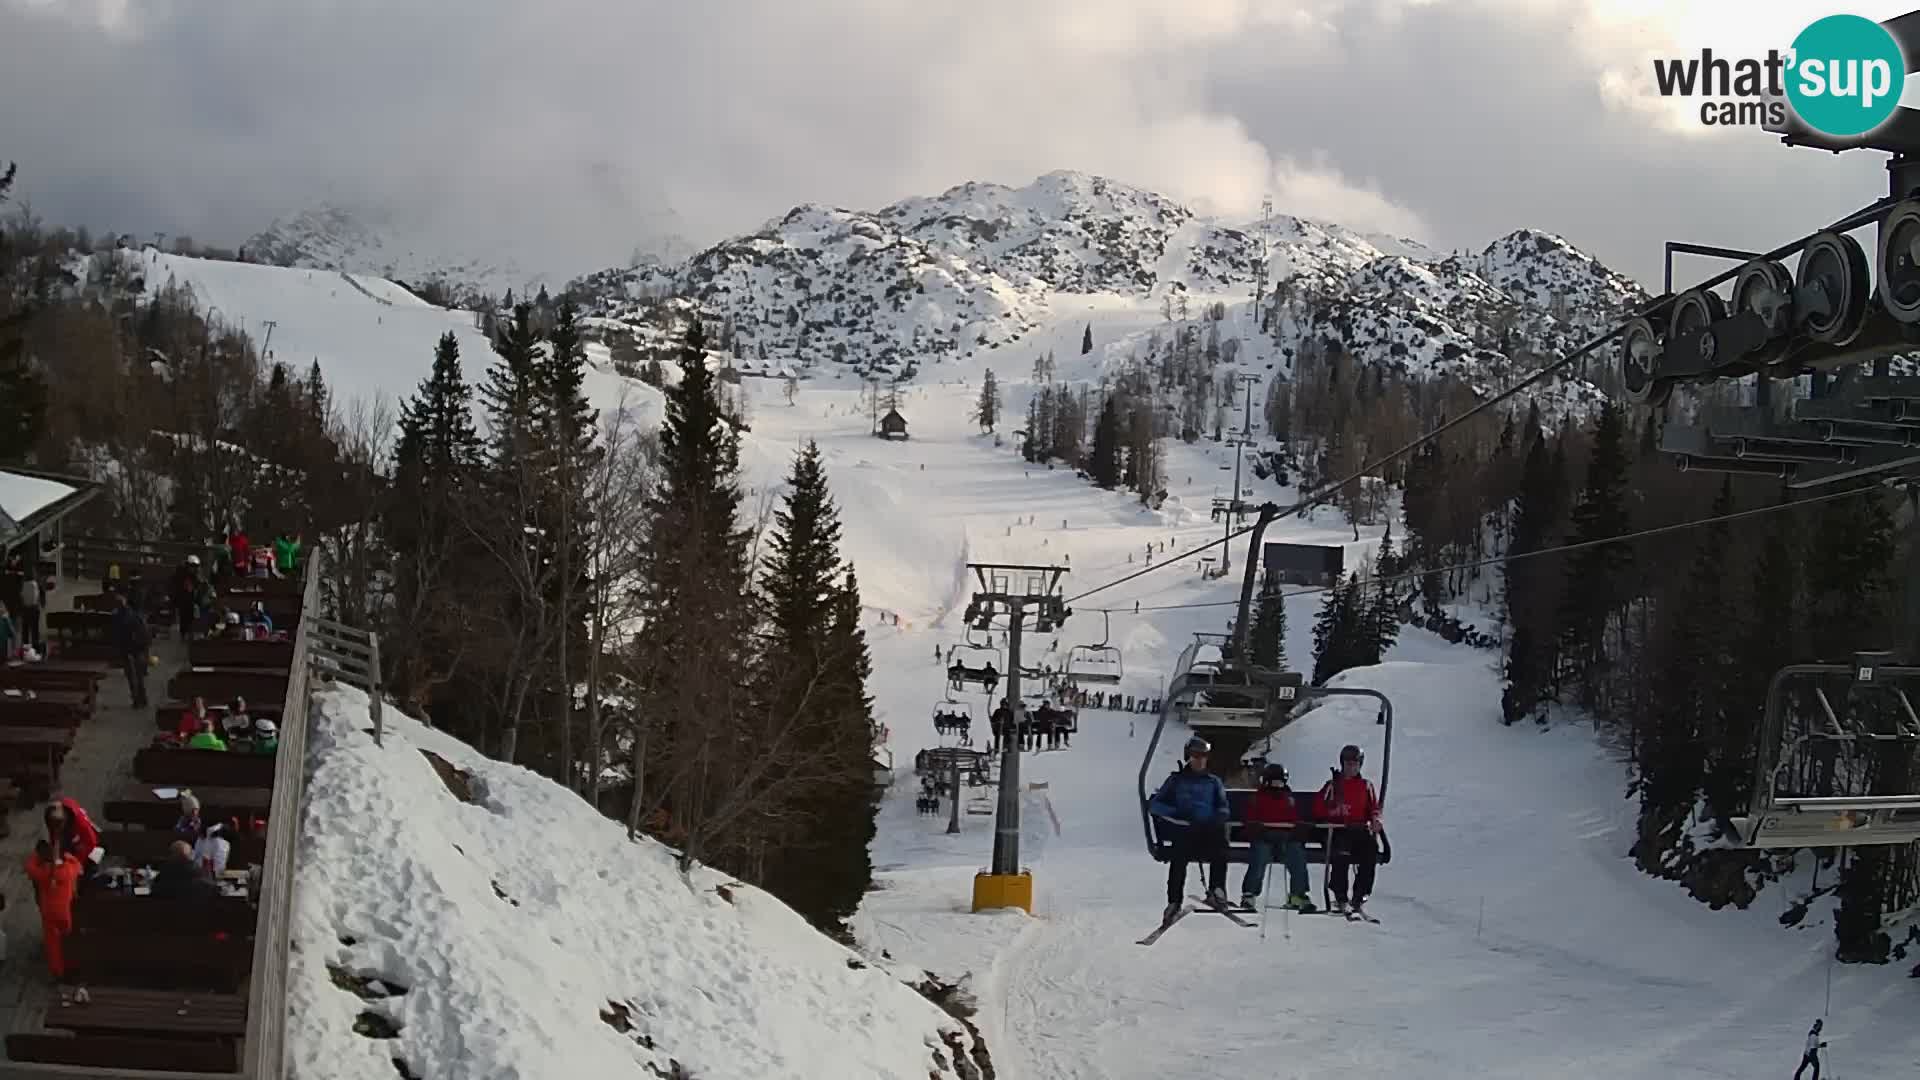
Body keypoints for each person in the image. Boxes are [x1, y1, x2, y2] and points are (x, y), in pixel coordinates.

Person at [1148, 736, 1231, 918]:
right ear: (1188, 756)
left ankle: (1217, 889)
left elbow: (1223, 806)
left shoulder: (1213, 782)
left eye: (1203, 756)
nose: (1200, 760)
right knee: (1179, 856)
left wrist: (1218, 817)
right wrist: (1176, 813)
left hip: (1208, 830)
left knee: (1220, 848)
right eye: (1195, 755)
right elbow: (1155, 805)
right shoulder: (1176, 781)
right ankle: (1174, 901)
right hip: (1185, 829)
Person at [1316, 744, 1383, 917]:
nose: (1351, 768)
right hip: (1339, 830)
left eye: (1355, 764)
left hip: (1359, 829)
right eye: (1348, 764)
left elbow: (1373, 808)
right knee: (1341, 854)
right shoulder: (1333, 785)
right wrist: (1334, 812)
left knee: (1371, 851)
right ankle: (1340, 895)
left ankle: (1360, 895)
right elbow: (1317, 808)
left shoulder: (1366, 786)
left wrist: (1375, 820)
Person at [1243, 764, 1317, 912]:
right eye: (1275, 783)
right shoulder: (1258, 798)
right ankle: (1249, 894)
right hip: (1264, 838)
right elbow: (1249, 818)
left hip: (1286, 839)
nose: (1278, 786)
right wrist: (1255, 828)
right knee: (1260, 855)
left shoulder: (1289, 799)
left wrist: (1298, 829)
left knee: (1297, 854)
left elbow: (1295, 818)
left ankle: (1298, 893)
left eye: (1281, 783)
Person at [25, 840, 81, 979]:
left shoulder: (42, 873)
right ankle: (71, 965)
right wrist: (64, 856)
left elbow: (29, 866)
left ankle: (58, 971)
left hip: (49, 912)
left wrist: (39, 856)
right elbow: (78, 865)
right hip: (65, 911)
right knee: (67, 938)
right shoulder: (69, 870)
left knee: (53, 944)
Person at [43, 799, 104, 892]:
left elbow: (91, 843)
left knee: (83, 874)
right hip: (74, 839)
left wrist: (77, 864)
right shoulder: (54, 816)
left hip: (89, 847)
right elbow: (55, 839)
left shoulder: (81, 824)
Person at [109, 592, 150, 708]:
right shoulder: (136, 614)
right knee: (139, 675)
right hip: (138, 647)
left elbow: (116, 635)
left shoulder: (118, 616)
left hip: (128, 648)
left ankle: (137, 699)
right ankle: (143, 698)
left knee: (131, 676)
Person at [151, 840, 216, 901]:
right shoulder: (205, 878)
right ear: (190, 856)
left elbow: (154, 892)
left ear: (171, 856)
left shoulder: (163, 877)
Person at [16, 573, 40, 653]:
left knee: (25, 630)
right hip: (33, 608)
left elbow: (21, 596)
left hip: (25, 609)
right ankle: (35, 649)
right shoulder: (34, 584)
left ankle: (25, 649)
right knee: (34, 630)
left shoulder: (24, 584)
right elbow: (36, 596)